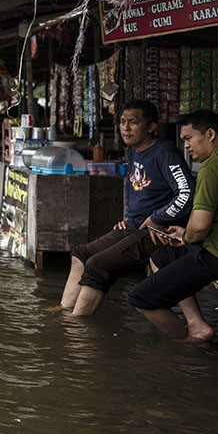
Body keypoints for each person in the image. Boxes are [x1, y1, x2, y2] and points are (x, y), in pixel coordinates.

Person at [129, 109, 218, 340]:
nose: (186, 146)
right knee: (160, 257)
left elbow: (201, 226)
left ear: (210, 134)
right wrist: (186, 234)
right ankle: (197, 326)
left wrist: (186, 237)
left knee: (140, 298)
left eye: (188, 138)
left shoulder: (212, 167)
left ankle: (187, 347)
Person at [60, 99, 194, 315]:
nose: (125, 127)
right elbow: (130, 185)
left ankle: (75, 327)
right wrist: (127, 215)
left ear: (151, 127)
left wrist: (159, 217)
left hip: (155, 232)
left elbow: (187, 194)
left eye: (133, 122)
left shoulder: (166, 153)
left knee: (97, 264)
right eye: (122, 122)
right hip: (133, 226)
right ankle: (65, 311)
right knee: (80, 254)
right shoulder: (133, 151)